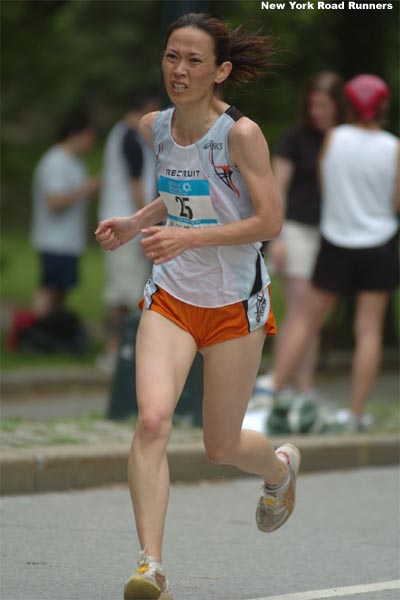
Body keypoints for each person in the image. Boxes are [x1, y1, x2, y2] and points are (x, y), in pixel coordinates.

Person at [95, 13, 301, 600]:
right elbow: (180, 192)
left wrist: (190, 237)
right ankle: (151, 565)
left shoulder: (241, 135)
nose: (179, 71)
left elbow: (269, 221)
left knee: (221, 446)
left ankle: (279, 469)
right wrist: (136, 223)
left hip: (236, 303)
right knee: (153, 421)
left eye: (193, 61)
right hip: (172, 296)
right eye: (171, 57)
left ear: (221, 71)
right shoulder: (153, 126)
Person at [273, 74, 399, 430]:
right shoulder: (393, 147)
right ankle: (356, 412)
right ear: (383, 106)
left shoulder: (333, 138)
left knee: (306, 318)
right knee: (369, 330)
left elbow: (327, 187)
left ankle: (273, 390)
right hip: (378, 244)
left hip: (335, 242)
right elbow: (396, 201)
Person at [266, 71, 346, 396]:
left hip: (331, 234)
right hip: (296, 229)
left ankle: (298, 384)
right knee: (302, 311)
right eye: (313, 104)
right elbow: (277, 187)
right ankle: (284, 384)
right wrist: (278, 235)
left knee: (312, 317)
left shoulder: (345, 139)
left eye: (324, 105)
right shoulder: (295, 138)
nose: (317, 112)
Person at [98, 94, 159, 370]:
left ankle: (123, 351)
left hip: (124, 222)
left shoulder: (121, 136)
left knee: (128, 291)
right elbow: (136, 184)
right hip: (125, 224)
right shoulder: (128, 138)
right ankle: (114, 352)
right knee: (123, 294)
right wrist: (143, 221)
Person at [31, 108, 99, 317]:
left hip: (69, 241)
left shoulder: (76, 164)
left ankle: (52, 331)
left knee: (61, 291)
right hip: (54, 240)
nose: (91, 143)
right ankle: (35, 329)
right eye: (88, 136)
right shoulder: (55, 161)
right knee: (49, 289)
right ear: (74, 134)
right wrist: (85, 189)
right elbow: (54, 202)